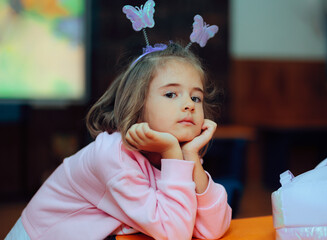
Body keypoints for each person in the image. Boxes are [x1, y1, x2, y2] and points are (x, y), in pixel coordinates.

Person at [6, 42, 232, 240]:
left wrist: (190, 154)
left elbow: (213, 228)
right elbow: (175, 234)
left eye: (196, 97)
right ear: (137, 105)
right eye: (171, 94)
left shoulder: (180, 152)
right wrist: (173, 152)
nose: (189, 105)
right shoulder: (114, 155)